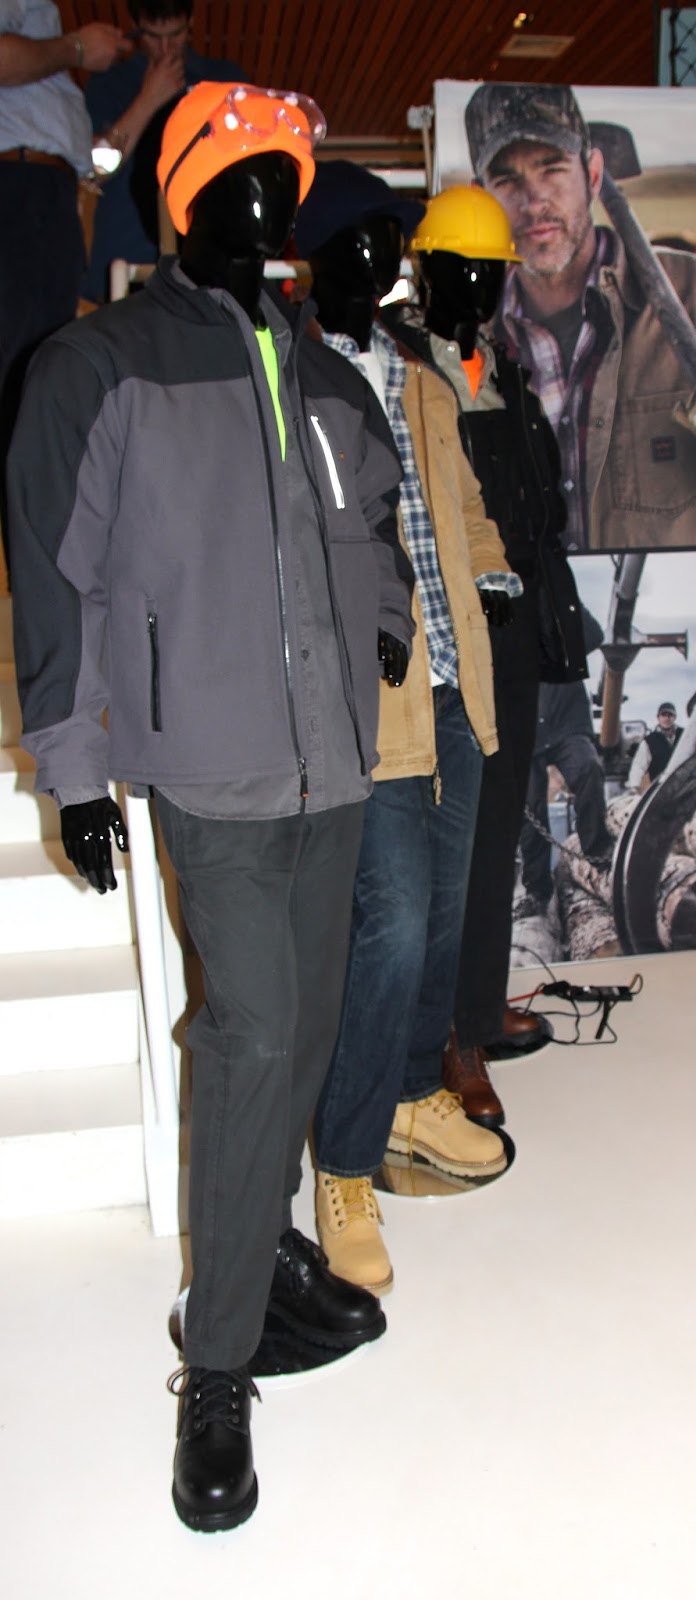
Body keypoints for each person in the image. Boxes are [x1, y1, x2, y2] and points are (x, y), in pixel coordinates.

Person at [7, 81, 416, 1533]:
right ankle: (219, 1361)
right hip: (215, 764)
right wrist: (72, 767)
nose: (270, 210)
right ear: (181, 201)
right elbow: (55, 576)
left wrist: (387, 621)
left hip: (333, 762)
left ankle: (267, 1243)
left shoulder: (327, 377)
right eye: (242, 184)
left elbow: (377, 524)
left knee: (304, 1022)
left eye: (284, 187)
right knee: (250, 1038)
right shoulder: (100, 367)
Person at [293, 161, 516, 1298]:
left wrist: (493, 575)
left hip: (455, 678)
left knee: (444, 909)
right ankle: (342, 1163)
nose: (389, 260)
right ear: (320, 253)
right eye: (369, 239)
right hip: (368, 695)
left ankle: (416, 1097)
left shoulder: (421, 373)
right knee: (386, 925)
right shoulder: (289, 376)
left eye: (395, 240)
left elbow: (460, 503)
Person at [386, 183, 585, 1108]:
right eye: (459, 267)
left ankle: (475, 1005)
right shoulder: (393, 370)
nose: (478, 285)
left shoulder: (500, 369)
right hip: (441, 633)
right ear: (425, 271)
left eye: (490, 271)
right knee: (446, 843)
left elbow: (538, 506)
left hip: (513, 624)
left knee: (498, 825)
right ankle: (447, 1039)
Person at [465, 81, 696, 552]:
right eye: (507, 180)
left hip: (662, 600)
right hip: (532, 600)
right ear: (479, 196)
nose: (534, 201)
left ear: (593, 173)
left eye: (552, 170)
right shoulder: (466, 341)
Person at [0, 1, 128, 565]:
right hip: (20, 185)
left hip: (43, 192)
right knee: (26, 385)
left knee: (35, 387)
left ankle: (33, 567)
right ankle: (30, 569)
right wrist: (76, 49)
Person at [82, 0, 239, 302]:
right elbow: (96, 170)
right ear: (135, 26)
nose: (165, 48)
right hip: (128, 258)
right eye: (152, 36)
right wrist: (148, 99)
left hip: (208, 264)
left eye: (175, 34)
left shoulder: (223, 81)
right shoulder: (110, 83)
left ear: (191, 22)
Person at [520, 605, 614, 919]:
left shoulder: (559, 622)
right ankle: (536, 891)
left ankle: (598, 855)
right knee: (530, 810)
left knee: (588, 769)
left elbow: (594, 635)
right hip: (526, 731)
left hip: (567, 723)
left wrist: (562, 598)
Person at [626, 701, 683, 792]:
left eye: (670, 715)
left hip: (684, 785)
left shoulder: (684, 735)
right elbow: (639, 765)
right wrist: (634, 786)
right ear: (658, 718)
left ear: (675, 717)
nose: (667, 718)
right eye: (663, 715)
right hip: (660, 788)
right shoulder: (650, 740)